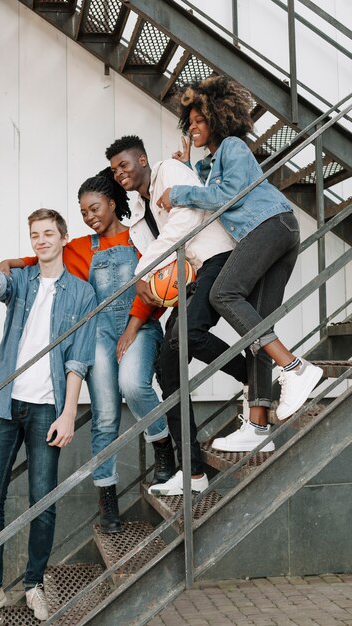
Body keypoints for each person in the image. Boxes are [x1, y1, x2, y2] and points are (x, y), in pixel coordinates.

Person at [0, 170, 174, 534]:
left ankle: (162, 446)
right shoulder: (80, 247)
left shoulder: (140, 237)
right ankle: (107, 498)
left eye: (95, 208)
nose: (90, 216)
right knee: (105, 415)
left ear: (112, 203)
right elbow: (45, 260)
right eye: (83, 211)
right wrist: (12, 264)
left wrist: (132, 327)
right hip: (98, 332)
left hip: (138, 325)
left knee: (133, 384)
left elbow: (155, 287)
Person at [156, 74, 323, 453]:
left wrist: (178, 190)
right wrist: (188, 167)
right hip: (273, 231)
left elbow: (227, 194)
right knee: (258, 327)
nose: (195, 127)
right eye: (191, 122)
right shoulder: (216, 161)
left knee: (224, 293)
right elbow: (215, 183)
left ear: (219, 117)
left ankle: (296, 368)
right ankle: (259, 425)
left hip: (270, 226)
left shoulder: (233, 145)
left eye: (201, 121)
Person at [0, 209, 96, 625]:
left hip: (47, 411)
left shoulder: (82, 294)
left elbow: (78, 360)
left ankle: (34, 584)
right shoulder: (20, 280)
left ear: (64, 237)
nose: (41, 240)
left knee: (43, 501)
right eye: (35, 234)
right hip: (4, 404)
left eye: (49, 233)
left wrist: (70, 412)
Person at [106, 136, 248, 496]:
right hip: (192, 279)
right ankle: (193, 473)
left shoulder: (168, 170)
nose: (119, 172)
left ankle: (257, 379)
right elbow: (163, 262)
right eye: (114, 169)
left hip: (217, 258)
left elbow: (187, 217)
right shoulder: (139, 213)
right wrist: (154, 284)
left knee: (187, 334)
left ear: (142, 159)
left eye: (124, 164)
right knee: (168, 372)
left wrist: (143, 268)